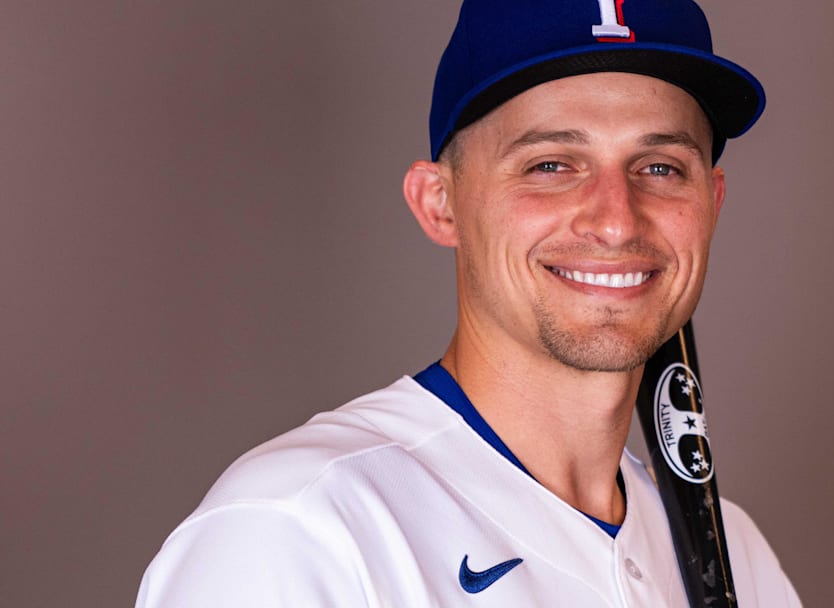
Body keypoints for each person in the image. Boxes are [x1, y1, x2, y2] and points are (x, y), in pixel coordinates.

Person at [135, 0, 800, 606]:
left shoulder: (736, 557)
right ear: (438, 202)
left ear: (711, 204)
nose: (617, 221)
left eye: (660, 167)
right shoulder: (302, 529)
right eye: (551, 165)